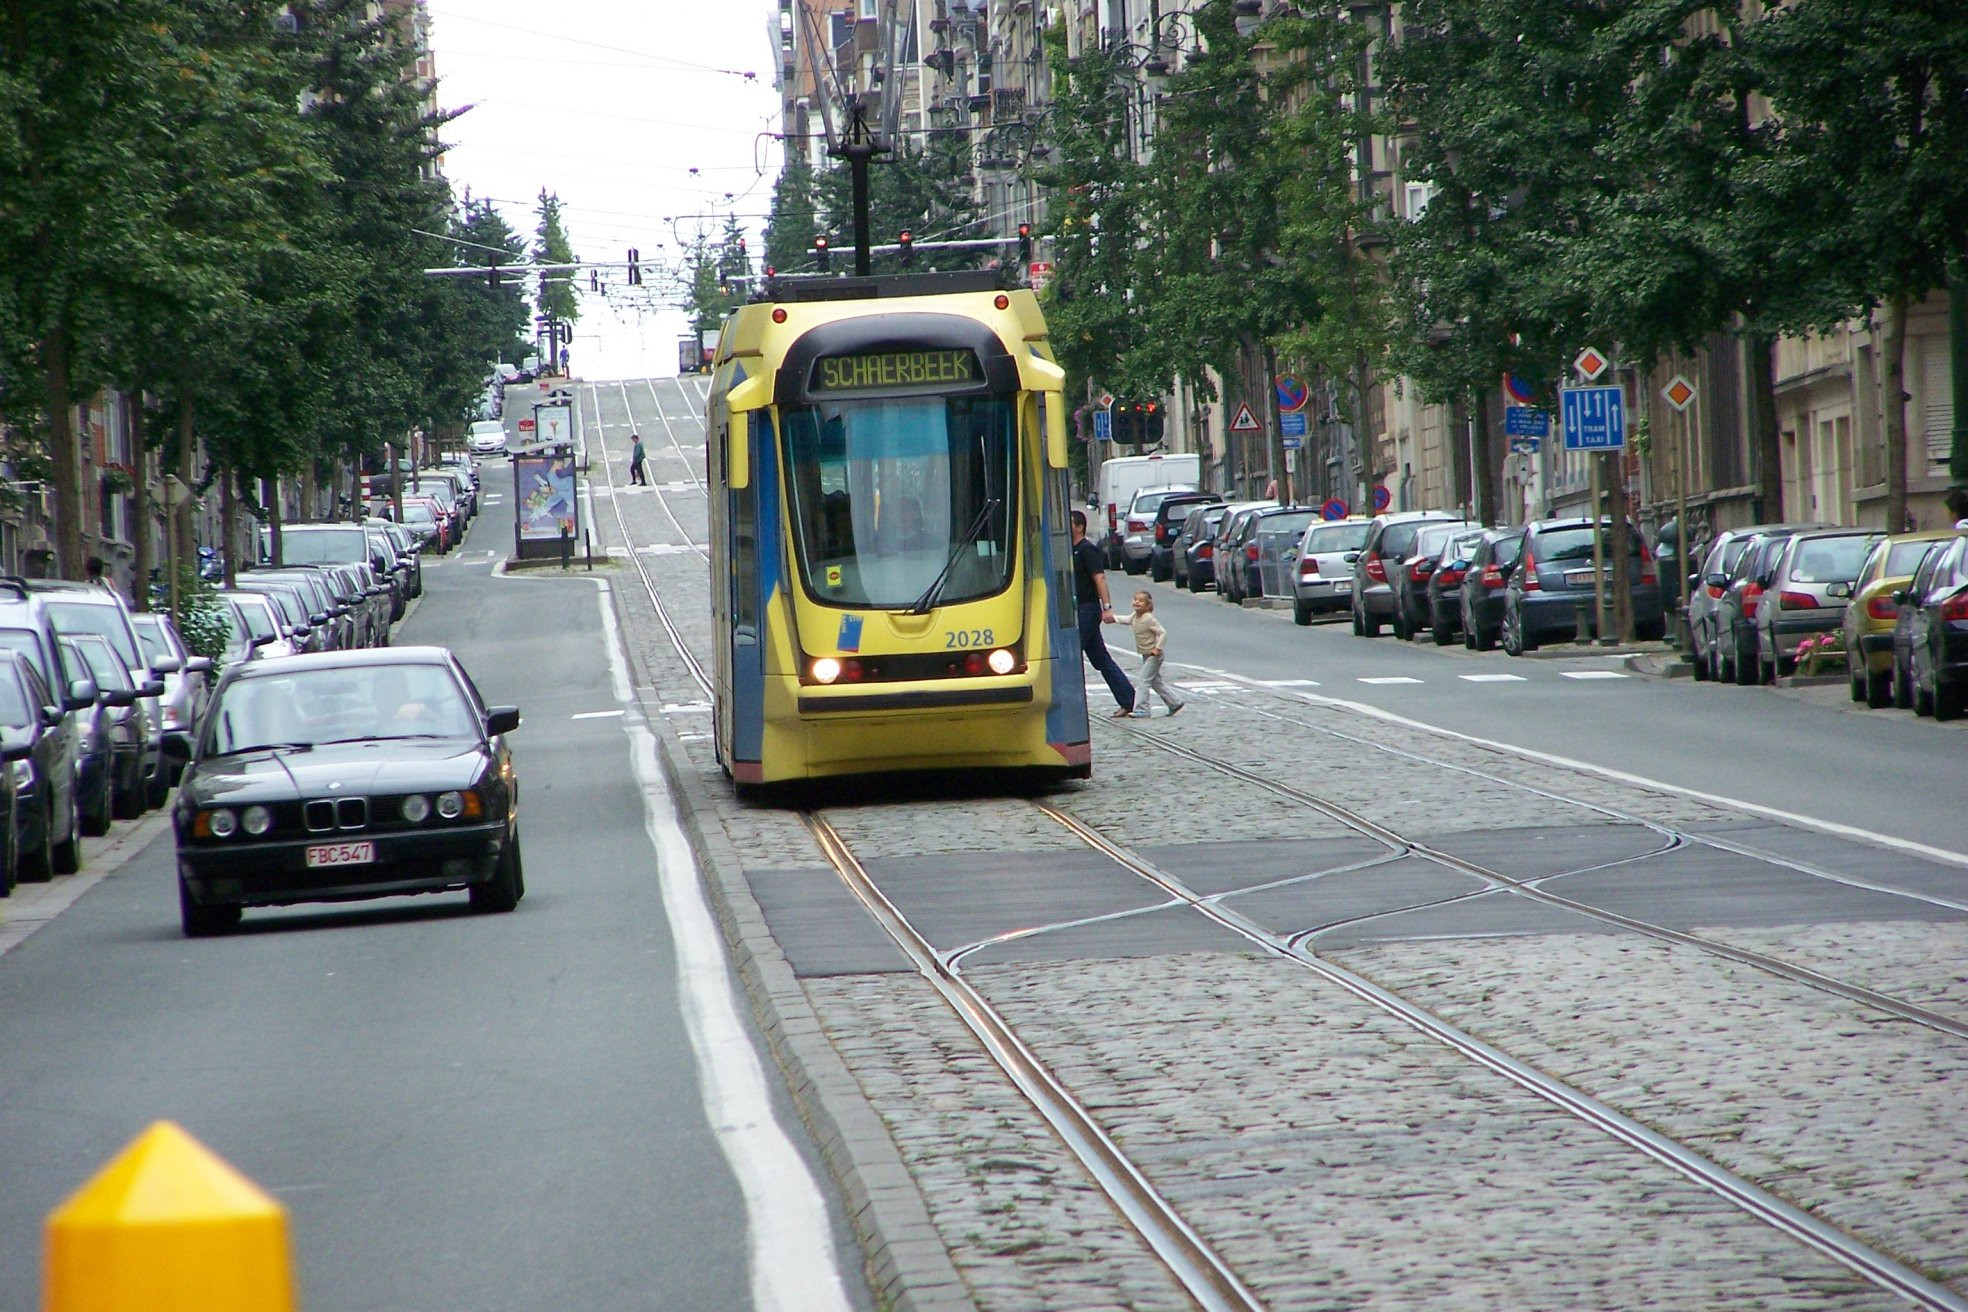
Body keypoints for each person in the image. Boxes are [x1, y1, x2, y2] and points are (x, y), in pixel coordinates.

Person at [1070, 509, 1135, 716]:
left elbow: (1099, 578)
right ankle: (1128, 698)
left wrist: (1107, 608)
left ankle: (1068, 704)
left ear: (1080, 526)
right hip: (1078, 608)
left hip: (1087, 609)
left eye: (1070, 523)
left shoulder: (1087, 549)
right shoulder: (1070, 550)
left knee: (1071, 653)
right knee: (1100, 659)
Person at [1127, 590, 1185, 718]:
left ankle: (1142, 709)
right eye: (1135, 599)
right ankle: (1174, 702)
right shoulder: (1135, 616)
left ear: (1148, 605)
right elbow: (1126, 620)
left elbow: (1163, 633)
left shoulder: (1149, 619)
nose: (1137, 602)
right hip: (1146, 654)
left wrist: (1158, 648)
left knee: (1143, 680)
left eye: (1141, 601)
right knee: (1155, 682)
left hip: (1154, 655)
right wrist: (1112, 618)